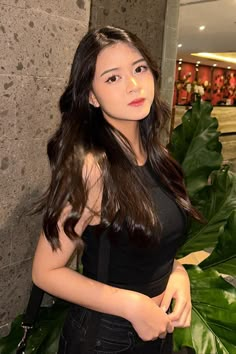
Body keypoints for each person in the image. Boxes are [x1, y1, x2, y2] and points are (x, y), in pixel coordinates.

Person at [32, 26, 201, 353]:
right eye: (113, 78)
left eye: (138, 69)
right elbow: (45, 271)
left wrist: (178, 273)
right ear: (91, 96)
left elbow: (151, 245)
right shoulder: (91, 168)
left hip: (156, 330)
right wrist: (130, 305)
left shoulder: (159, 158)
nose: (134, 85)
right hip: (105, 339)